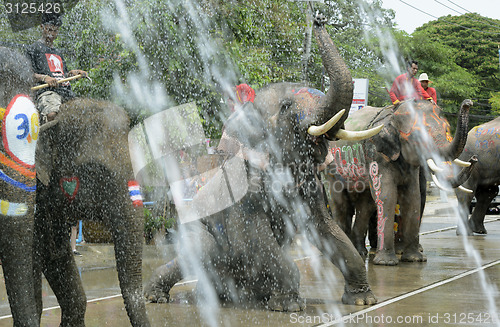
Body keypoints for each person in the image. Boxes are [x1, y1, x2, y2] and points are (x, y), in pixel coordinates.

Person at [25, 13, 88, 124]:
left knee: (84, 115)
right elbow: (27, 74)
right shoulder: (33, 49)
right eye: (49, 30)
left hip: (66, 92)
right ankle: (47, 140)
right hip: (47, 92)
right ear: (42, 27)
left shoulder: (58, 52)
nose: (52, 34)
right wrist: (45, 78)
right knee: (52, 115)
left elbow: (62, 74)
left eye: (55, 31)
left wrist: (73, 73)